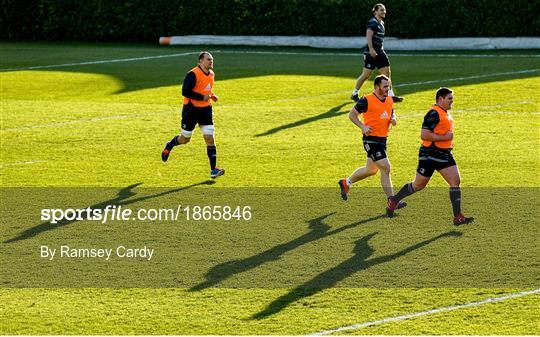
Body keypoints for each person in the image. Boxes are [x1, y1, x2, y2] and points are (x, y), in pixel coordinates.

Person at [386, 87, 474, 226]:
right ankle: (395, 200)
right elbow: (424, 134)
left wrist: (448, 142)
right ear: (440, 99)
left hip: (444, 154)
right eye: (449, 98)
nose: (452, 101)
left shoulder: (444, 113)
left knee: (455, 181)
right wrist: (445, 137)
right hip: (430, 154)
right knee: (418, 185)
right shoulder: (434, 113)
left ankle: (458, 217)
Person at [339, 74, 405, 209]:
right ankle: (392, 201)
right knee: (386, 168)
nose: (388, 89)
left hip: (382, 140)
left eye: (389, 86)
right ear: (377, 87)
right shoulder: (366, 100)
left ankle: (346, 183)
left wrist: (393, 119)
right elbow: (352, 114)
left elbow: (392, 114)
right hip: (371, 140)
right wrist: (362, 126)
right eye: (385, 86)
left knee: (371, 170)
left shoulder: (389, 100)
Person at [161, 52, 225, 179]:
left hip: (205, 110)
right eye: (208, 59)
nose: (211, 62)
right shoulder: (192, 74)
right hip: (191, 110)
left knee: (209, 137)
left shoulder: (212, 74)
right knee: (185, 139)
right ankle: (169, 145)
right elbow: (185, 91)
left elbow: (206, 89)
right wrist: (202, 97)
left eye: (212, 60)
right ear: (201, 61)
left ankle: (213, 169)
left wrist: (212, 96)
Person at [351, 3, 403, 103]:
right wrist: (371, 49)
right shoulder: (372, 22)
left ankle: (391, 96)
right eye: (381, 10)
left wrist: (380, 49)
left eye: (384, 10)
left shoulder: (382, 23)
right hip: (371, 52)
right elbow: (368, 36)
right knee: (366, 75)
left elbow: (380, 39)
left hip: (380, 52)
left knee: (387, 72)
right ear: (375, 11)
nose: (384, 12)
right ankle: (354, 93)